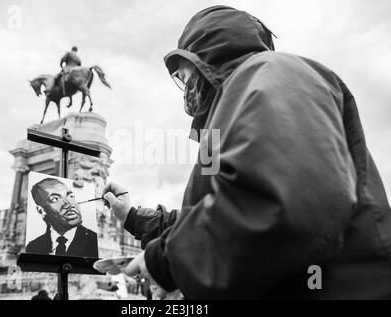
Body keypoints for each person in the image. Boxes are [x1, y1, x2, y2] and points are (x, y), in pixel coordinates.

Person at [102, 5, 391, 299]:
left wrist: (167, 261)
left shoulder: (272, 72)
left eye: (182, 73)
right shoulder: (225, 120)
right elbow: (218, 212)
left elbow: (281, 205)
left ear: (201, 58)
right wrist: (136, 218)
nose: (183, 84)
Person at [26, 178, 98, 258]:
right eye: (55, 199)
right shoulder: (33, 247)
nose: (69, 204)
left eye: (71, 196)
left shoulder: (94, 241)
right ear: (41, 210)